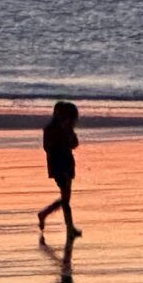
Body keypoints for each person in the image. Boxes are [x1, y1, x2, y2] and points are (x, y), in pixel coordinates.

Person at [37, 100, 82, 238]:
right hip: (59, 165)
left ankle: (48, 215)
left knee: (65, 197)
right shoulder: (52, 129)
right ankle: (67, 226)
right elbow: (48, 147)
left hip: (65, 163)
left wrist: (69, 133)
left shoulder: (64, 128)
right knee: (65, 197)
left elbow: (74, 144)